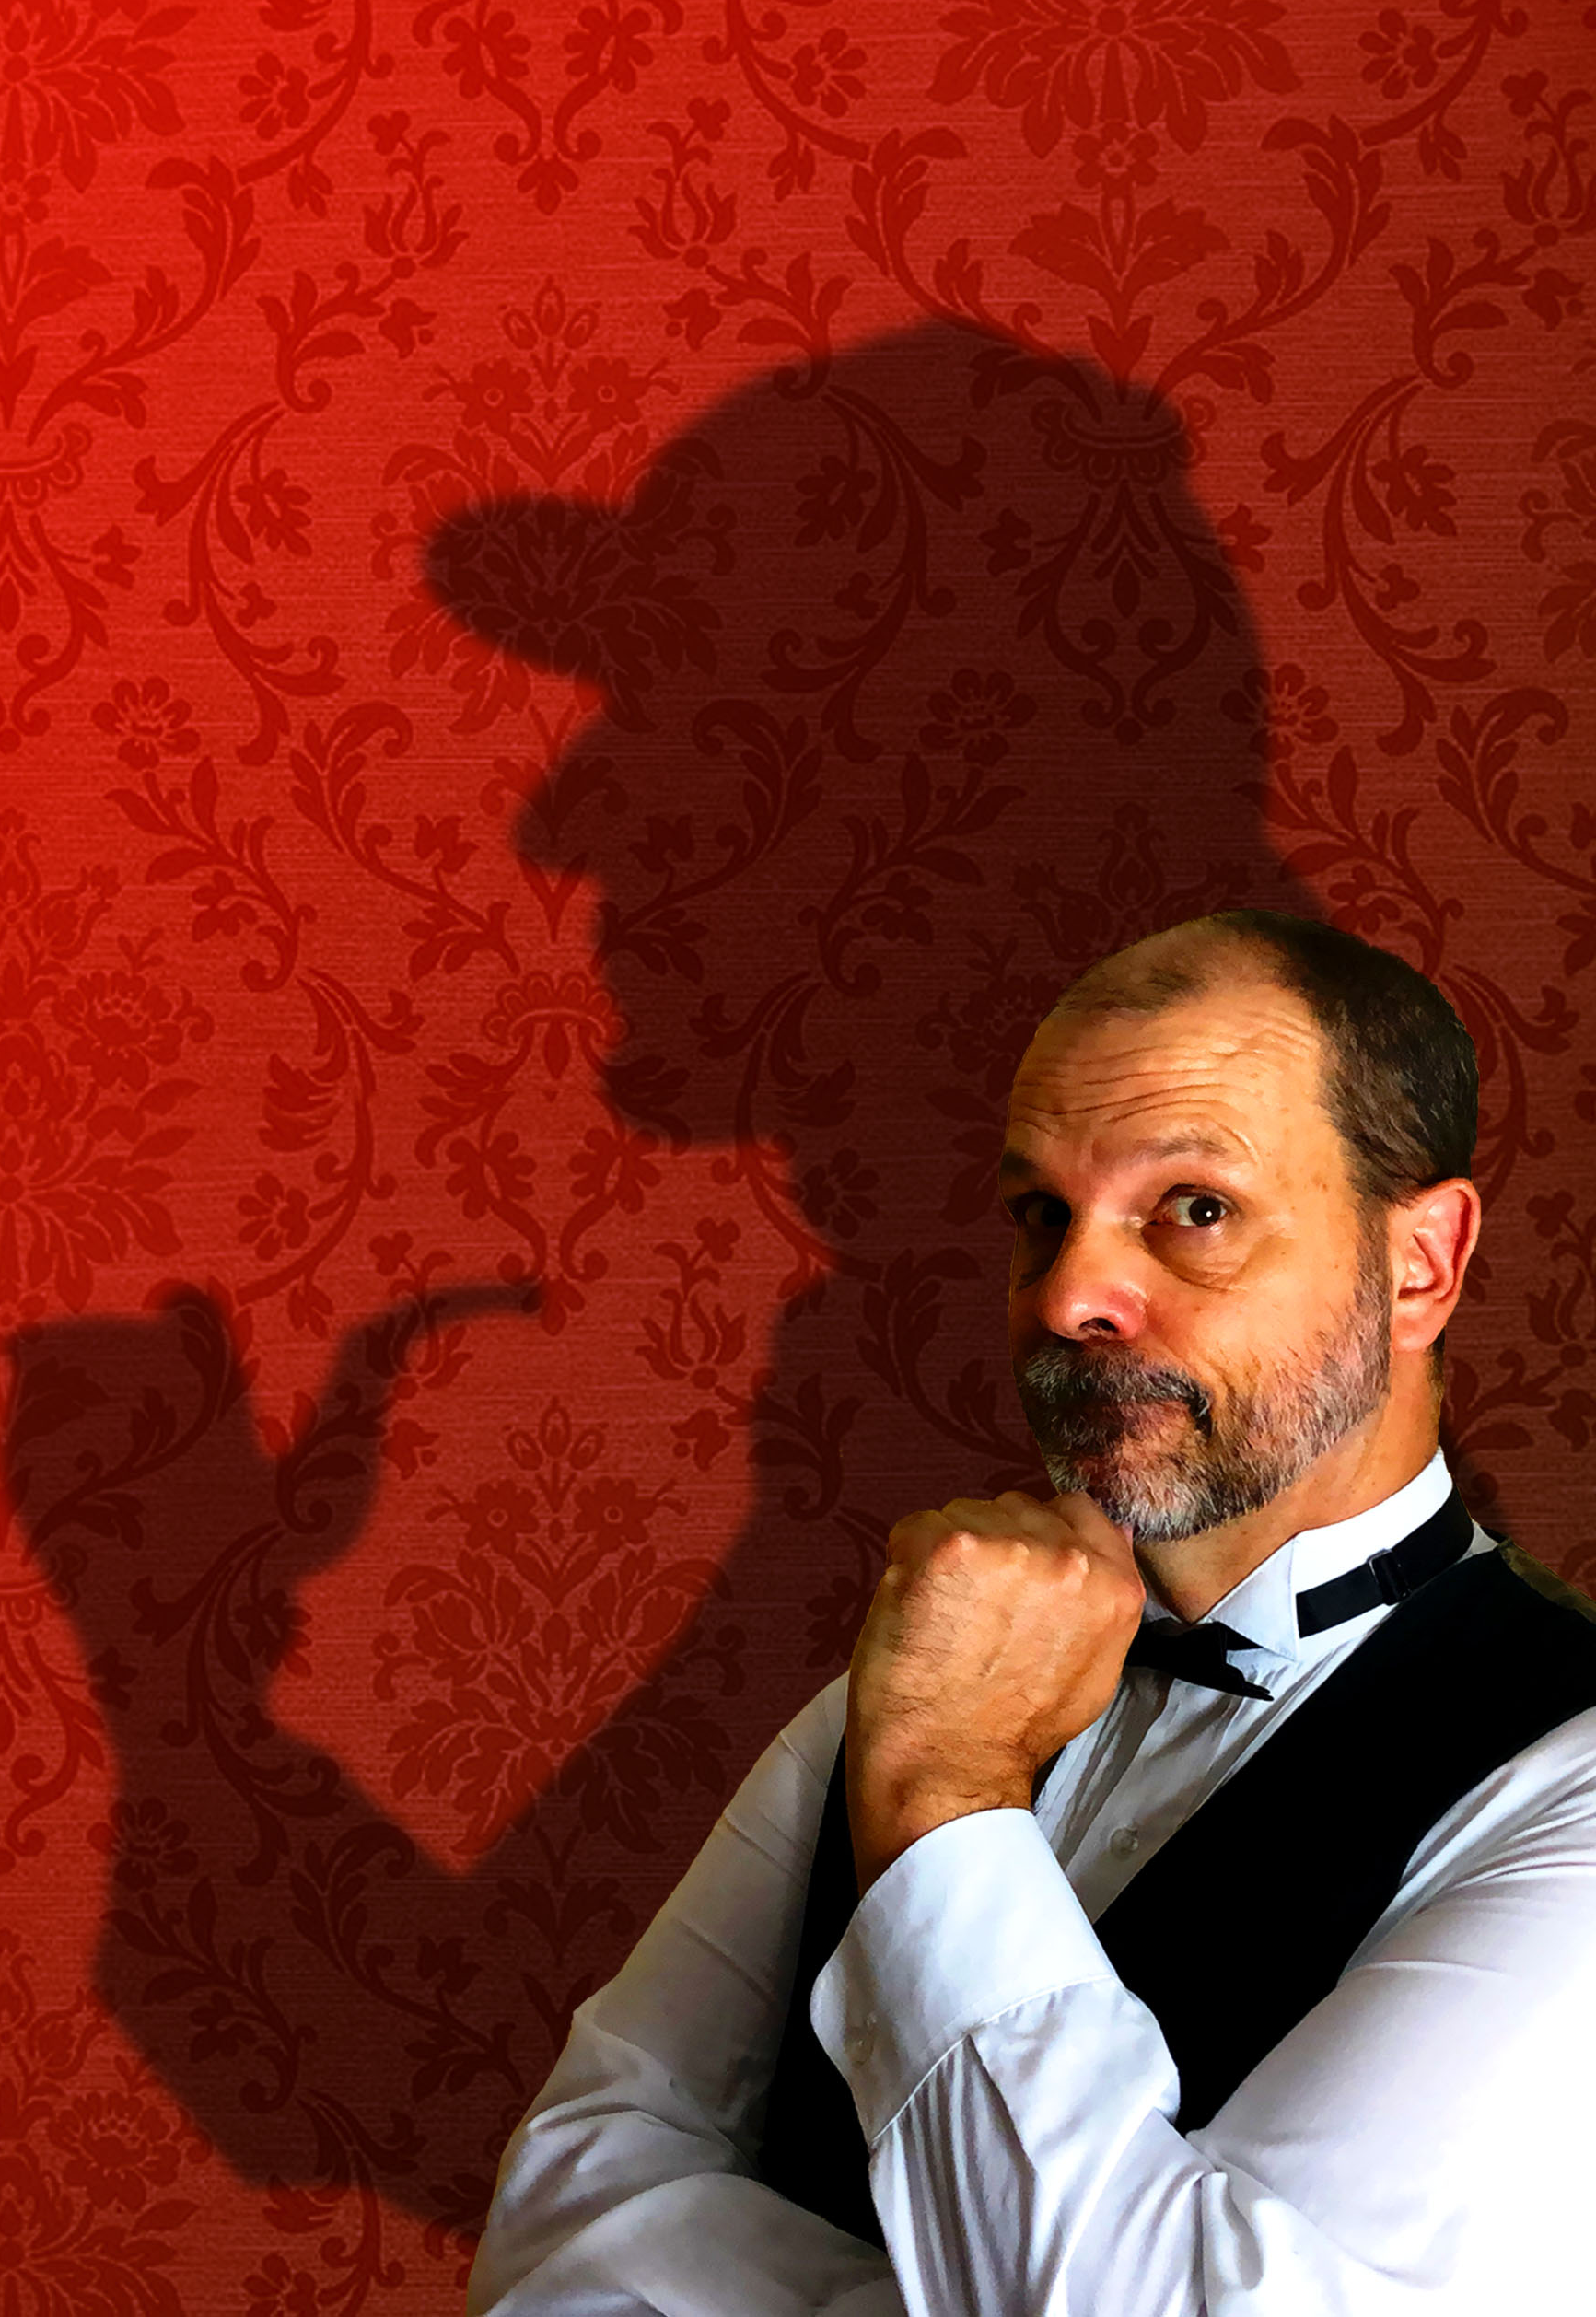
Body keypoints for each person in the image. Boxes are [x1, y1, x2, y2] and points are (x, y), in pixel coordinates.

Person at [466, 908, 1596, 2316]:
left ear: (1420, 1261)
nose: (1068, 1297)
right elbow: (559, 2212)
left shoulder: (1571, 1780)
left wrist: (946, 1791)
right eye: (1041, 1214)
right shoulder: (915, 1679)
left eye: (1195, 1208)